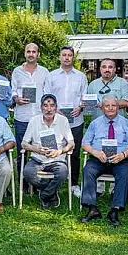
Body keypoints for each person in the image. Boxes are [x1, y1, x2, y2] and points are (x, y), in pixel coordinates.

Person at [79, 95, 128, 227]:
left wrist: (123, 155)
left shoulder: (126, 123)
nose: (110, 108)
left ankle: (115, 210)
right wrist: (95, 152)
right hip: (98, 158)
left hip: (119, 159)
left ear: (118, 107)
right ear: (102, 108)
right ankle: (92, 208)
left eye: (113, 105)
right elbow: (85, 143)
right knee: (88, 170)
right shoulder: (95, 123)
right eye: (107, 106)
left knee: (124, 172)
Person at [44, 46, 88, 196]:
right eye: (64, 55)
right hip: (55, 120)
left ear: (73, 57)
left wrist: (80, 108)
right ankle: (52, 181)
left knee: (74, 153)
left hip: (76, 121)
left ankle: (74, 184)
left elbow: (85, 96)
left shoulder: (81, 76)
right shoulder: (51, 76)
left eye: (69, 55)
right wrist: (54, 109)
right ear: (60, 57)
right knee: (53, 148)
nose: (67, 58)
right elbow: (47, 96)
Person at [21, 94, 74, 209]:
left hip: (57, 159)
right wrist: (37, 149)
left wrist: (60, 151)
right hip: (38, 158)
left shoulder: (63, 120)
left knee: (62, 172)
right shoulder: (34, 121)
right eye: (45, 106)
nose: (49, 109)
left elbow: (71, 143)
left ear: (56, 107)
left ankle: (44, 195)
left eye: (52, 106)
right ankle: (50, 192)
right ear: (41, 108)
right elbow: (24, 143)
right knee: (28, 172)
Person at [11, 43, 49, 174]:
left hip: (39, 117)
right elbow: (13, 90)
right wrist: (16, 99)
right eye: (28, 51)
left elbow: (47, 93)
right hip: (22, 117)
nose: (31, 54)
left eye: (34, 52)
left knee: (40, 149)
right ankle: (23, 180)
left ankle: (38, 179)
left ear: (38, 54)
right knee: (22, 151)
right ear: (25, 53)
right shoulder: (17, 71)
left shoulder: (44, 72)